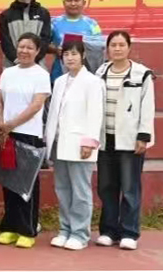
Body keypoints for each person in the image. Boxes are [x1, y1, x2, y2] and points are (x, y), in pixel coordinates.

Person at [94, 31, 155, 251]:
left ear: (129, 48)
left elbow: (147, 106)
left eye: (121, 45)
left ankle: (129, 232)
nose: (117, 49)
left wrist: (143, 136)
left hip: (130, 139)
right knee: (106, 187)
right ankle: (109, 231)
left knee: (130, 188)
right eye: (113, 45)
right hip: (105, 139)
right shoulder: (101, 72)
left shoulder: (142, 74)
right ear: (107, 49)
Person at [45, 40, 105, 251]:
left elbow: (95, 114)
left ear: (83, 56)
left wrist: (89, 142)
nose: (70, 58)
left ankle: (80, 233)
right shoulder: (60, 81)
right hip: (59, 142)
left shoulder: (93, 82)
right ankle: (65, 229)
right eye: (66, 54)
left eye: (74, 54)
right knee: (63, 189)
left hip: (80, 143)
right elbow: (54, 112)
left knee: (80, 190)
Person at [0, 33, 51, 249]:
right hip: (7, 134)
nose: (24, 51)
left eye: (29, 47)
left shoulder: (41, 75)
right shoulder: (8, 72)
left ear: (37, 51)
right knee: (9, 182)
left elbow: (36, 106)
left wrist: (12, 124)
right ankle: (10, 227)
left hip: (29, 134)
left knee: (27, 185)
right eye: (21, 46)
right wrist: (2, 124)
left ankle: (28, 229)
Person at [0, 0, 51, 69]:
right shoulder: (6, 15)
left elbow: (45, 39)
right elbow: (5, 42)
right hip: (12, 66)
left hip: (37, 65)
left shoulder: (43, 13)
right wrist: (17, 60)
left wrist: (33, 60)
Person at [50, 0, 103, 82]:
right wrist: (55, 49)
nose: (73, 4)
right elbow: (43, 45)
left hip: (85, 76)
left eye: (76, 0)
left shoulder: (92, 24)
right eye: (69, 0)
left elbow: (99, 46)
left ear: (84, 3)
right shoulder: (54, 23)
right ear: (64, 3)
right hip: (59, 74)